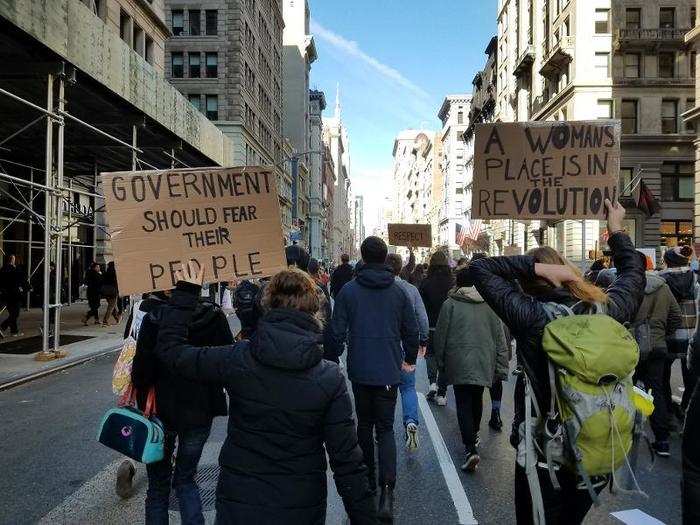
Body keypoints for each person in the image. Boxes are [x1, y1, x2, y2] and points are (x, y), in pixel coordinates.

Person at [468, 200, 645, 525]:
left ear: (528, 283)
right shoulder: (607, 310)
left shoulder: (532, 318)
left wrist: (537, 268)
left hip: (542, 458)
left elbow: (480, 269)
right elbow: (634, 273)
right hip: (595, 451)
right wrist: (616, 229)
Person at [155, 264, 376, 524]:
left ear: (267, 306)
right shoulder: (329, 378)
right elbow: (347, 464)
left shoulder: (239, 358)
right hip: (299, 508)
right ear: (316, 312)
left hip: (240, 506)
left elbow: (172, 352)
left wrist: (186, 293)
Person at [327, 237, 419, 521]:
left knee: (363, 427)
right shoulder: (399, 292)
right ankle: (387, 492)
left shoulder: (348, 292)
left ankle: (367, 480)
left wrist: (331, 359)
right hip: (389, 372)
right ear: (385, 258)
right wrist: (409, 360)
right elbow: (411, 331)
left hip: (360, 370)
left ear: (364, 259)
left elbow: (336, 333)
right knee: (386, 429)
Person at [130, 287, 234, 524]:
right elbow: (227, 365)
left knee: (157, 487)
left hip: (160, 413)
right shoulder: (213, 316)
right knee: (186, 479)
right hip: (200, 411)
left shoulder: (154, 318)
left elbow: (141, 375)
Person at [596, 267, 681, 457]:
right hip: (657, 347)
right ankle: (662, 440)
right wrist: (659, 334)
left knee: (627, 390)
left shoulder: (626, 286)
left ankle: (626, 435)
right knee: (656, 391)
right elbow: (676, 317)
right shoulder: (663, 287)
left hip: (629, 347)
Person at [433, 266, 509, 471]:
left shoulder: (450, 304)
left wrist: (440, 362)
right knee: (476, 399)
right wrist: (502, 366)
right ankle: (473, 435)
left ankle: (470, 447)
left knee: (463, 402)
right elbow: (500, 339)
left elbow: (441, 336)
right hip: (484, 360)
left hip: (457, 360)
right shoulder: (491, 306)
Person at [386, 253, 429, 451]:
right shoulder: (410, 289)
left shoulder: (382, 288)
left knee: (385, 388)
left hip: (386, 345)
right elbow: (422, 316)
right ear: (400, 268)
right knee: (408, 388)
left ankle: (383, 428)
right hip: (406, 345)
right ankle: (411, 421)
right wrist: (424, 339)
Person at [658, 245, 699, 419]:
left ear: (667, 261)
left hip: (667, 333)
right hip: (690, 333)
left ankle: (667, 409)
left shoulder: (660, 281)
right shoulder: (695, 280)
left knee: (662, 375)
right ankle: (685, 408)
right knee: (691, 376)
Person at [419, 250, 455, 405]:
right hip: (449, 327)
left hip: (431, 326)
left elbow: (420, 308)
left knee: (430, 355)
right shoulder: (453, 282)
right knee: (445, 360)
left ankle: (432, 382)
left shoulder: (425, 282)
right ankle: (442, 393)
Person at [0, 255, 28, 337]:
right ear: (12, 260)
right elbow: (21, 280)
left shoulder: (2, 269)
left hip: (6, 295)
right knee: (15, 314)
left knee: (13, 313)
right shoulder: (14, 269)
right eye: (14, 259)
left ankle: (14, 331)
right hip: (15, 295)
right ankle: (2, 326)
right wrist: (26, 288)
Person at [101, 261, 120, 326]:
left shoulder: (105, 273)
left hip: (106, 292)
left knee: (113, 305)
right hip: (113, 291)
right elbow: (117, 283)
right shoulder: (116, 273)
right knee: (111, 306)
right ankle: (105, 321)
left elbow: (102, 281)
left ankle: (117, 318)